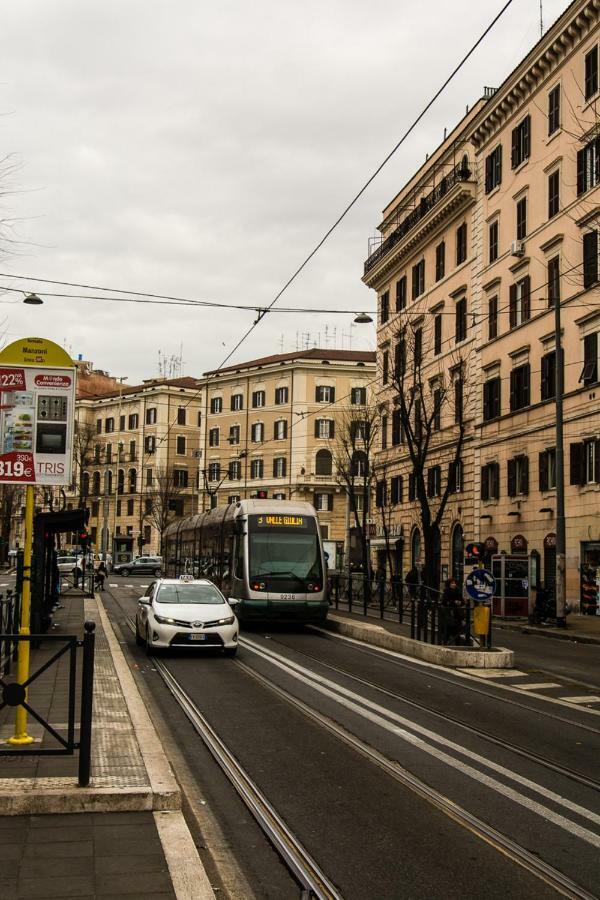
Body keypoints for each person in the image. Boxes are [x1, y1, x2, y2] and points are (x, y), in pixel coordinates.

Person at [440, 577, 464, 645]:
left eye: (455, 583)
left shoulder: (458, 591)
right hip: (449, 613)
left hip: (457, 613)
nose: (454, 584)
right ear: (449, 584)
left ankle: (457, 643)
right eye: (452, 583)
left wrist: (460, 602)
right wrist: (454, 602)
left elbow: (462, 601)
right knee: (448, 628)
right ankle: (446, 641)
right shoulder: (446, 591)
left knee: (457, 629)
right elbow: (444, 601)